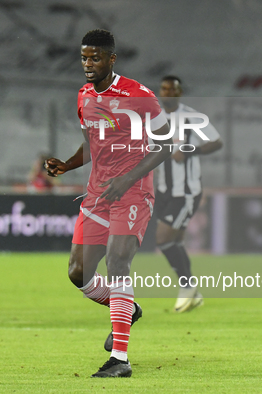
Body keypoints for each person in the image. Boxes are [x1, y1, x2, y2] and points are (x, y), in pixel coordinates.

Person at [45, 29, 173, 378]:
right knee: (78, 273)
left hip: (133, 191)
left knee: (118, 262)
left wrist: (127, 179)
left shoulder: (141, 96)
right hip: (98, 193)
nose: (88, 64)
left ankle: (120, 359)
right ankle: (126, 307)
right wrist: (66, 165)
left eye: (95, 57)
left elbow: (165, 145)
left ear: (111, 59)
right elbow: (92, 143)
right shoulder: (84, 96)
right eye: (84, 57)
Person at [155, 75, 222, 312]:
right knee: (175, 241)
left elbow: (216, 142)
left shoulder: (192, 117)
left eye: (172, 90)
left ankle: (187, 288)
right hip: (163, 189)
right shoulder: (154, 118)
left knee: (163, 239)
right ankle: (193, 292)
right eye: (164, 89)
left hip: (185, 192)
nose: (167, 93)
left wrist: (189, 149)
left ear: (180, 92)